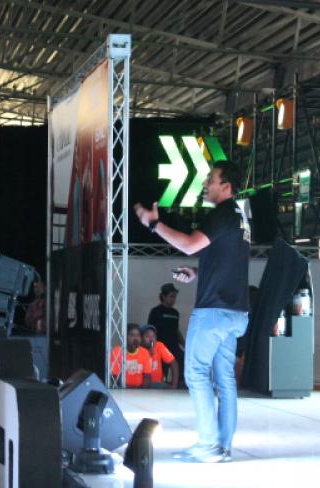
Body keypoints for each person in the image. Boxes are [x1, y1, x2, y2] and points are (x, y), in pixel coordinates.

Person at [135, 160, 250, 463]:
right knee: (225, 378)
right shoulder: (240, 217)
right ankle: (222, 447)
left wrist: (154, 224)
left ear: (226, 186)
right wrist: (197, 273)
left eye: (211, 179)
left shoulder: (221, 214)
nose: (205, 184)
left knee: (196, 372)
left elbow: (188, 245)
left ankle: (209, 444)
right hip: (236, 312)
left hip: (213, 312)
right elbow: (228, 262)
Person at [147, 283, 185, 386]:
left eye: (175, 297)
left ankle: (180, 384)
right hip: (161, 346)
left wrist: (184, 343)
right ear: (164, 297)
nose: (173, 299)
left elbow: (176, 330)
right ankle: (161, 385)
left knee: (182, 360)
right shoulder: (155, 311)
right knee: (162, 370)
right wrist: (151, 347)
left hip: (174, 346)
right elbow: (150, 331)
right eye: (171, 296)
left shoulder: (175, 313)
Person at [110, 323, 152, 388]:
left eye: (138, 335)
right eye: (132, 335)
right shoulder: (116, 352)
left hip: (140, 389)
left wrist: (141, 391)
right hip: (122, 389)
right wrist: (130, 391)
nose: (136, 339)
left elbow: (147, 376)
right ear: (125, 337)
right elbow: (115, 377)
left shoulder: (144, 352)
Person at [140, 324, 179, 389]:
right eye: (147, 336)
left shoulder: (159, 346)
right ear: (141, 338)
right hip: (141, 385)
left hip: (157, 385)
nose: (151, 339)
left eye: (153, 336)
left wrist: (174, 385)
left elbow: (174, 363)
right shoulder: (137, 349)